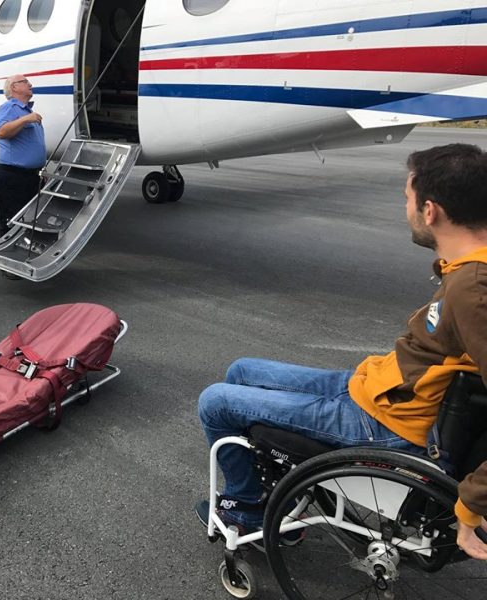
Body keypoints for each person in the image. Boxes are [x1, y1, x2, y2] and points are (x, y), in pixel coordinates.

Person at [197, 143, 487, 561]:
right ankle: (275, 489)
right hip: (377, 389)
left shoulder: (473, 290)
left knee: (215, 402)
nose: (404, 207)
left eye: (407, 198)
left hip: (387, 422)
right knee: (241, 370)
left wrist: (472, 501)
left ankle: (249, 510)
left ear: (430, 211)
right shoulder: (468, 266)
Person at [0, 75, 46, 278]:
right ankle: (8, 264)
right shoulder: (9, 108)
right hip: (14, 176)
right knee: (12, 219)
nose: (30, 84)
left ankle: (22, 260)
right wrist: (25, 120)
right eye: (25, 81)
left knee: (29, 220)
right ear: (14, 87)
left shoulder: (27, 111)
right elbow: (2, 132)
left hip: (31, 176)